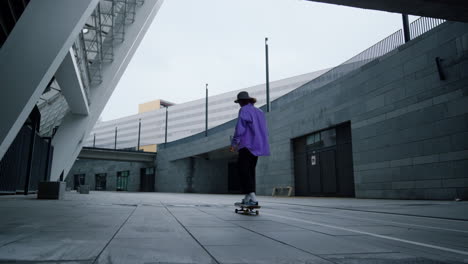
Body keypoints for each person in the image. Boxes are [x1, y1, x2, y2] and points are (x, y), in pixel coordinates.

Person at [230, 91, 270, 206]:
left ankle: (252, 197)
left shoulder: (244, 110)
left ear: (242, 101)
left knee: (242, 170)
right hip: (257, 146)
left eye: (239, 102)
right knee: (250, 171)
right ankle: (248, 197)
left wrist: (234, 144)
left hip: (247, 145)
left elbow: (240, 128)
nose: (239, 105)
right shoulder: (259, 112)